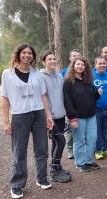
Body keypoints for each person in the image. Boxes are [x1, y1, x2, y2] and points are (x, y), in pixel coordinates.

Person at [1, 43, 54, 199]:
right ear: (18, 54)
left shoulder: (37, 74)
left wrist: (48, 115)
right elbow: (5, 99)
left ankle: (42, 178)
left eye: (30, 53)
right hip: (20, 116)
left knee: (42, 149)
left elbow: (43, 95)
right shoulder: (7, 74)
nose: (27, 55)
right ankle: (17, 185)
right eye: (24, 53)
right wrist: (6, 122)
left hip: (38, 114)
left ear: (33, 57)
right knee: (19, 152)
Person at [63, 56, 102, 172]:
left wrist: (97, 94)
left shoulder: (88, 81)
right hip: (78, 117)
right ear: (73, 66)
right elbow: (67, 101)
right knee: (79, 140)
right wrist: (72, 118)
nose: (80, 66)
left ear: (85, 67)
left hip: (91, 116)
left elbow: (91, 97)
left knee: (92, 138)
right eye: (78, 64)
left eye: (82, 65)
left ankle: (89, 160)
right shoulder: (68, 83)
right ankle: (80, 163)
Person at [40, 50, 71, 183]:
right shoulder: (40, 77)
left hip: (60, 116)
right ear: (43, 62)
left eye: (54, 59)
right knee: (61, 141)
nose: (52, 61)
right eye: (49, 59)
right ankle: (53, 171)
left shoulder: (59, 77)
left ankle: (57, 166)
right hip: (49, 117)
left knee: (55, 142)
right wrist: (47, 116)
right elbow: (41, 97)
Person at [92, 57, 107, 160]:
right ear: (95, 65)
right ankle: (97, 150)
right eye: (100, 63)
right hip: (96, 109)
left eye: (104, 63)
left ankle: (105, 148)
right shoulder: (91, 77)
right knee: (97, 131)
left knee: (106, 131)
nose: (102, 65)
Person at [61, 49, 81, 159]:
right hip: (69, 107)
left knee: (80, 129)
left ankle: (79, 149)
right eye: (74, 56)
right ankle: (70, 150)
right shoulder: (64, 72)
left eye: (78, 56)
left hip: (81, 107)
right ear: (70, 58)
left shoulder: (83, 72)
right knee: (69, 130)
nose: (76, 58)